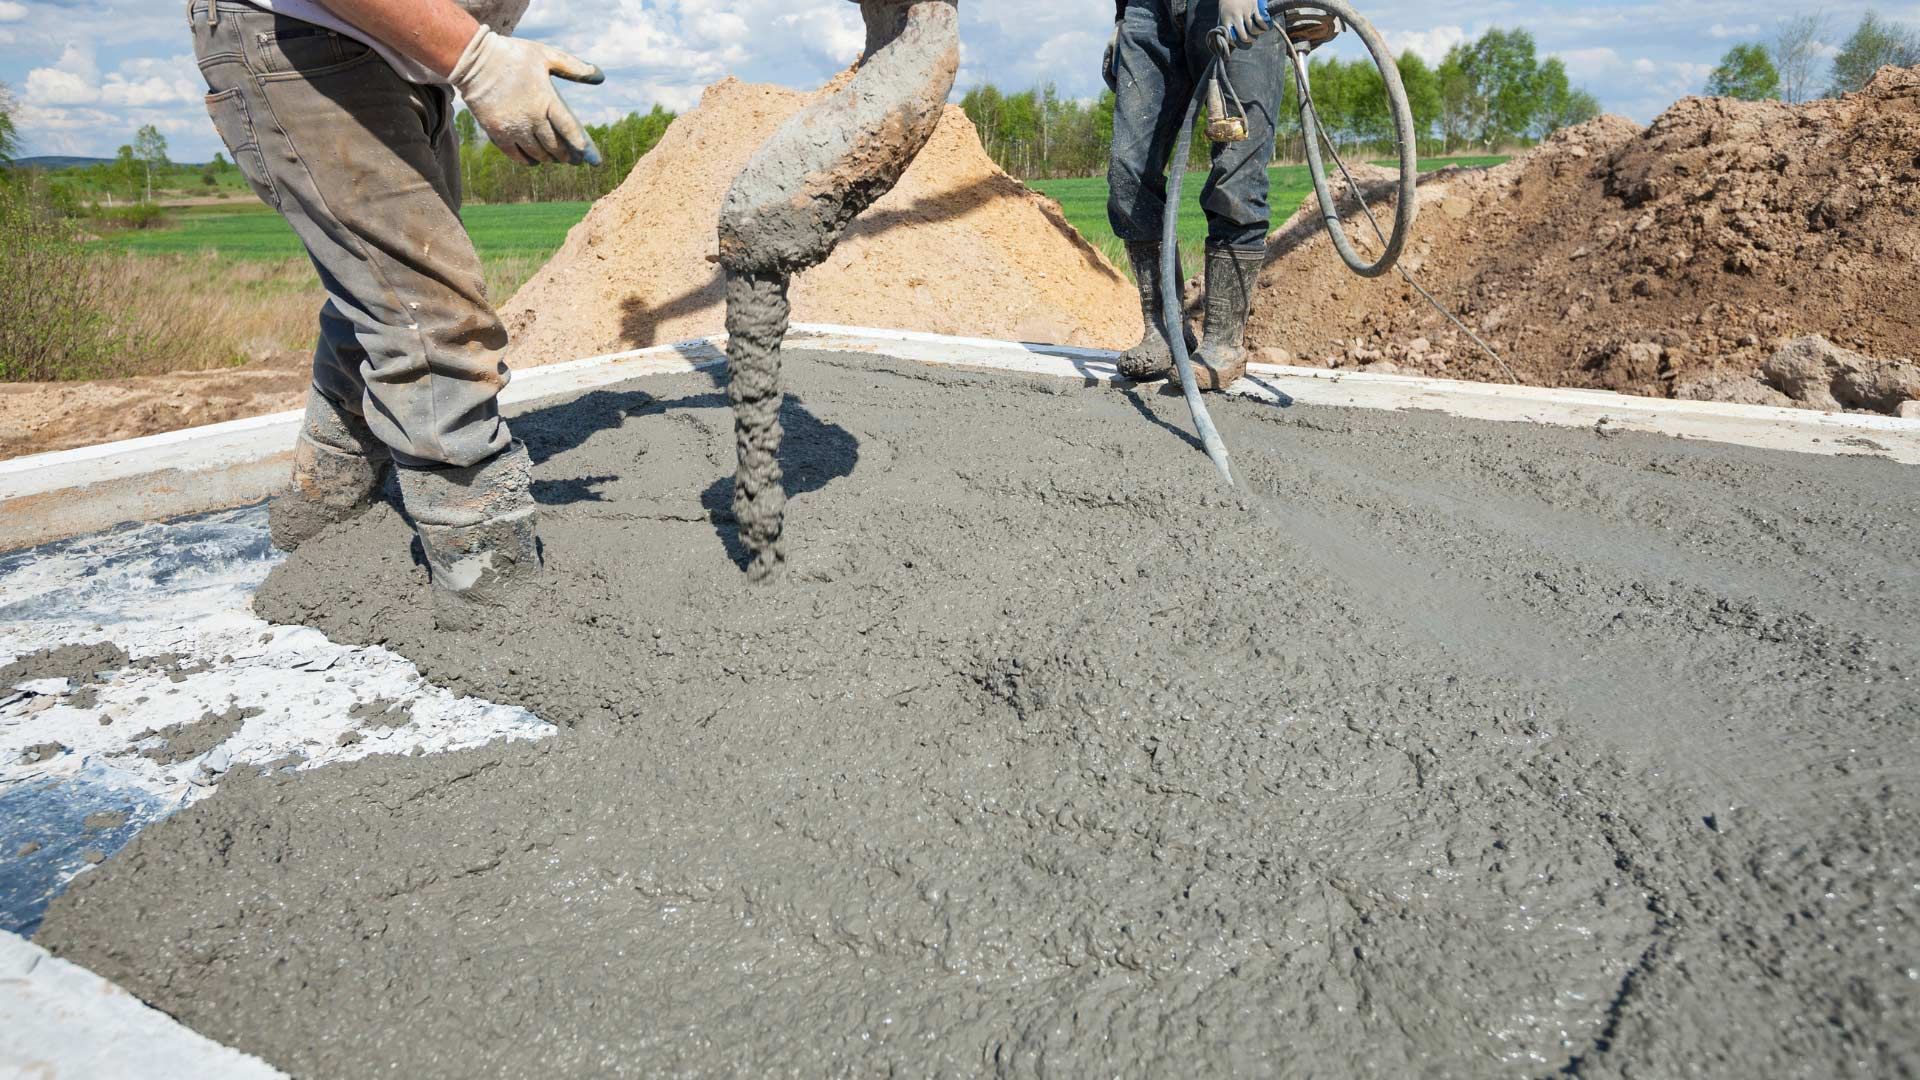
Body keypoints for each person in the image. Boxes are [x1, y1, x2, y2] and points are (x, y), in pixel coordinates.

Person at [188, 0, 602, 617]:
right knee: (429, 319)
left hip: (400, 51)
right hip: (314, 35)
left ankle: (322, 518)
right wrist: (479, 58)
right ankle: (495, 600)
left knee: (384, 289)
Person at [1105, 0, 1280, 390]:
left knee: (1235, 175)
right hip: (1148, 10)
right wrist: (1122, 15)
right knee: (1127, 173)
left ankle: (1223, 343)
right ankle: (1163, 331)